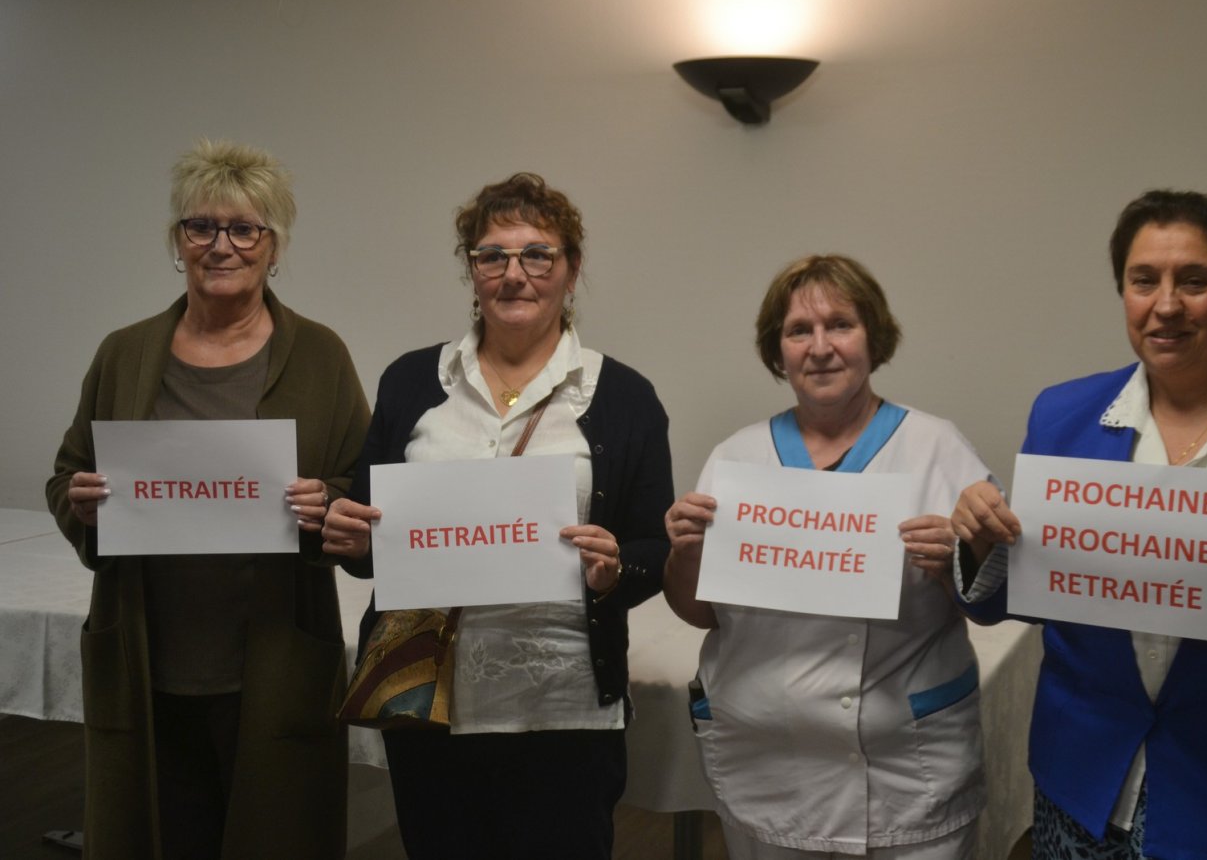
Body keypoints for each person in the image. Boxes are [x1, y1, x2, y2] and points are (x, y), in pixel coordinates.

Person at [321, 172, 673, 860]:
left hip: (564, 708)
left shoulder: (623, 397)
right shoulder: (412, 381)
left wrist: (614, 569)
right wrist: (348, 536)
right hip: (428, 705)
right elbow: (370, 541)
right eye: (493, 256)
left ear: (571, 270)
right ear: (472, 270)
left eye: (537, 254)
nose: (515, 274)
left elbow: (655, 550)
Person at [45, 139, 370, 859]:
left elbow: (362, 485)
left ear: (273, 247)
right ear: (178, 240)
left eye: (244, 229)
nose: (221, 246)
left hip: (275, 659)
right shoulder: (124, 352)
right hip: (146, 655)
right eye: (201, 227)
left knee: (274, 835)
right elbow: (69, 472)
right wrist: (82, 501)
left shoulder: (320, 355)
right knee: (159, 835)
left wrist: (327, 501)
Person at [951, 189, 1207, 858]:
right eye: (1144, 281)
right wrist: (980, 541)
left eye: (1194, 281)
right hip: (1083, 780)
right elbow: (1008, 600)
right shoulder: (1063, 415)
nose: (1165, 305)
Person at [663, 254, 993, 859]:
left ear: (873, 337)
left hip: (905, 772)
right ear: (778, 349)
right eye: (799, 331)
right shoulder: (737, 458)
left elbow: (988, 601)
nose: (820, 347)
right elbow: (700, 612)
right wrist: (685, 552)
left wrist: (956, 562)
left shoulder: (937, 448)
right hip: (769, 770)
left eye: (840, 324)